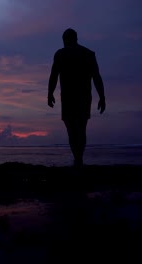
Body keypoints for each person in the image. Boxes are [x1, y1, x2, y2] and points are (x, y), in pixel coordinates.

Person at [48, 28, 106, 167]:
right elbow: (96, 77)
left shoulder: (66, 54)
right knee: (78, 128)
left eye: (65, 39)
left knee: (74, 129)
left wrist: (49, 94)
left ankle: (78, 158)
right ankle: (78, 158)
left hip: (73, 97)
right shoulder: (85, 54)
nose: (64, 42)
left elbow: (54, 76)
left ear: (71, 39)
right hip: (80, 97)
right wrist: (102, 97)